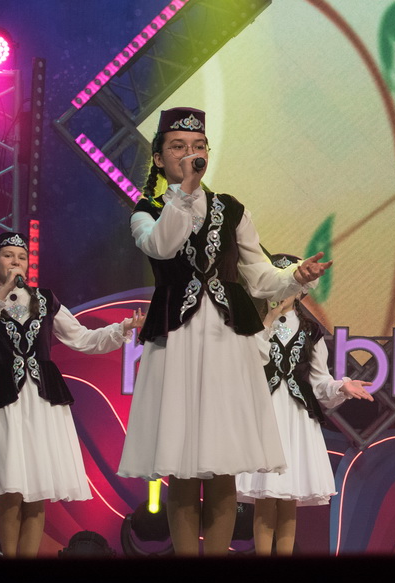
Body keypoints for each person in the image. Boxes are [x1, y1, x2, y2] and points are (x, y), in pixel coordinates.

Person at [118, 108, 332, 556]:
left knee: (223, 466)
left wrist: (295, 276)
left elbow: (259, 276)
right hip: (177, 340)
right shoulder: (146, 212)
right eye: (178, 147)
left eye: (198, 147)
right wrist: (185, 194)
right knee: (182, 466)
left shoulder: (232, 209)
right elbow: (163, 246)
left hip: (227, 340)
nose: (189, 154)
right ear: (158, 158)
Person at [0, 231, 142, 557]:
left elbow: (82, 339)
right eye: (8, 256)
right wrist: (0, 294)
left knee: (37, 490)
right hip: (4, 400)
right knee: (9, 489)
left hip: (42, 400)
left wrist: (121, 330)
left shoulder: (45, 300)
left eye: (21, 257)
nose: (16, 262)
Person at [235, 254, 373, 556]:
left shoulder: (311, 331)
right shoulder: (251, 323)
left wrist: (341, 386)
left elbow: (320, 382)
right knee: (264, 495)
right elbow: (245, 364)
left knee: (289, 496)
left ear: (302, 291)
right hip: (264, 414)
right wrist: (268, 319)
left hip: (296, 417)